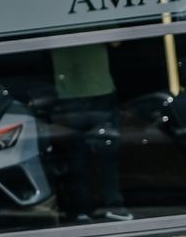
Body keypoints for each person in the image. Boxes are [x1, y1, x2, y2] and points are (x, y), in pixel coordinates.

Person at [50, 43, 133, 223]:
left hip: (69, 93)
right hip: (98, 91)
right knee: (106, 154)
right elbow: (117, 41)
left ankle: (82, 210)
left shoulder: (54, 21)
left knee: (76, 158)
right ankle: (114, 206)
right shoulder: (95, 17)